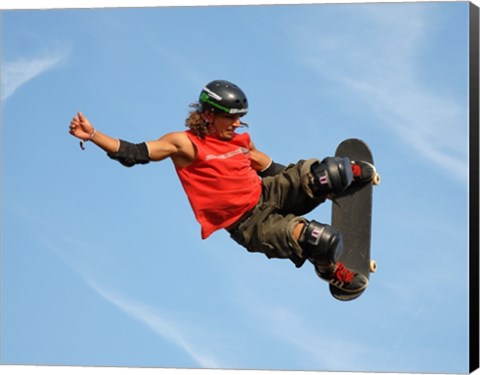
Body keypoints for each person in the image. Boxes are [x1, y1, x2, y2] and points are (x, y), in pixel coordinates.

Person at [69, 79, 376, 296]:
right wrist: (93, 134)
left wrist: (315, 186)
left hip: (267, 192)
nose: (237, 125)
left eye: (239, 119)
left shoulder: (238, 139)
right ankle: (328, 271)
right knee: (319, 239)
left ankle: (342, 178)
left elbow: (265, 165)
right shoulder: (184, 144)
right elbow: (134, 153)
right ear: (208, 114)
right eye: (231, 119)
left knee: (330, 172)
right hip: (251, 224)